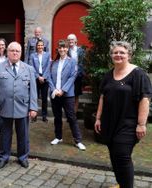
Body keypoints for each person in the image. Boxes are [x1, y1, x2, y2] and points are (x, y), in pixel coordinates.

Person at [94, 41, 152, 188]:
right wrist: (98, 118)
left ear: (129, 55)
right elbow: (102, 97)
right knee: (114, 155)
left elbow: (145, 99)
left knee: (122, 156)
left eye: (122, 52)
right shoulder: (109, 75)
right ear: (111, 55)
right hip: (109, 122)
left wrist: (141, 124)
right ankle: (120, 184)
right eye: (115, 52)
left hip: (128, 124)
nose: (118, 55)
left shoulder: (138, 74)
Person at [0, 41, 38, 169]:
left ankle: (23, 157)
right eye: (12, 50)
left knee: (23, 135)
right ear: (7, 52)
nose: (15, 53)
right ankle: (3, 157)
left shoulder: (28, 68)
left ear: (21, 53)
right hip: (4, 107)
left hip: (23, 107)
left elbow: (33, 90)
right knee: (5, 135)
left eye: (17, 51)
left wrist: (33, 107)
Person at [48, 39, 86, 150]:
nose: (62, 49)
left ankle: (78, 140)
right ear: (58, 49)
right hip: (55, 94)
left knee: (71, 117)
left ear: (67, 49)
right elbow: (49, 77)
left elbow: (72, 77)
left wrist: (63, 90)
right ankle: (58, 137)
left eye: (64, 47)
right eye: (60, 47)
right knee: (57, 117)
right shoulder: (53, 63)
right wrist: (53, 89)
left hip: (67, 95)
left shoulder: (72, 61)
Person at [29, 39, 51, 122]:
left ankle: (44, 116)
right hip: (36, 78)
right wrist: (38, 77)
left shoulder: (47, 55)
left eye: (41, 45)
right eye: (38, 45)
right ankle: (34, 116)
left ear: (44, 46)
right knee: (35, 98)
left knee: (44, 98)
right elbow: (31, 67)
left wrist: (44, 77)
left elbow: (49, 66)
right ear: (36, 46)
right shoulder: (32, 55)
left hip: (45, 79)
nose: (40, 47)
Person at [67, 34, 86, 112]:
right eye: (69, 40)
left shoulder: (80, 50)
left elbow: (83, 63)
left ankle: (74, 113)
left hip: (78, 76)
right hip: (68, 77)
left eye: (72, 39)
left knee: (76, 95)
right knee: (68, 95)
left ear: (75, 41)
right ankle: (69, 112)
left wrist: (78, 73)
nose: (70, 41)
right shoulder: (66, 50)